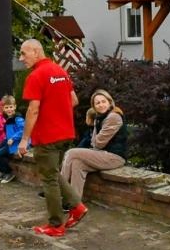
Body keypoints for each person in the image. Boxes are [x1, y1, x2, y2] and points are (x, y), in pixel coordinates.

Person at [15, 38, 78, 236]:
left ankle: (56, 225)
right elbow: (73, 100)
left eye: (24, 53)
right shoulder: (60, 71)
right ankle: (77, 207)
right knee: (53, 173)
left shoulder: (36, 76)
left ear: (35, 51)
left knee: (48, 180)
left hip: (47, 136)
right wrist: (57, 113)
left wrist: (24, 139)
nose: (21, 58)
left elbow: (33, 110)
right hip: (65, 134)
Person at [56, 89, 128, 230]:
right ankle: (75, 205)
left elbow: (98, 143)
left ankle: (60, 191)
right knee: (77, 164)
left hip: (114, 157)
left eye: (103, 102)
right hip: (102, 154)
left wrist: (95, 137)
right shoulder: (100, 118)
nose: (101, 105)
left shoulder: (113, 117)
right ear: (93, 106)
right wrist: (95, 132)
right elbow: (95, 142)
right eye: (97, 103)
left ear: (110, 102)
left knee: (71, 153)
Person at [0, 97, 23, 183]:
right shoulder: (7, 119)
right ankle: (2, 171)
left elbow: (22, 131)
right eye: (6, 107)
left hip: (16, 144)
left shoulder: (18, 118)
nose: (9, 109)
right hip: (8, 141)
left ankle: (8, 172)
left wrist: (13, 138)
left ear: (15, 106)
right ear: (3, 108)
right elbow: (8, 132)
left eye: (10, 107)